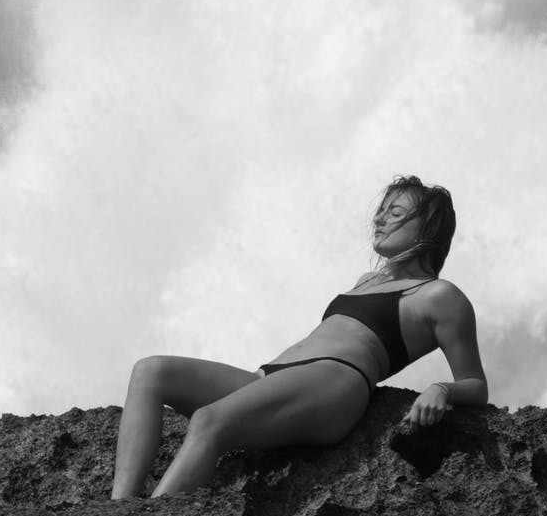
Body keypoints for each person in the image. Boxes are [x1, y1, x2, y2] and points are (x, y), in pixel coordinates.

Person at [111, 175, 488, 499]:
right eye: (382, 209)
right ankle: (117, 513)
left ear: (428, 226)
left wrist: (441, 389)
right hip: (275, 375)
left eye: (395, 212)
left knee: (211, 422)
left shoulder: (439, 296)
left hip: (335, 381)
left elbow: (475, 383)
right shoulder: (367, 281)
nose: (379, 219)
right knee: (151, 371)